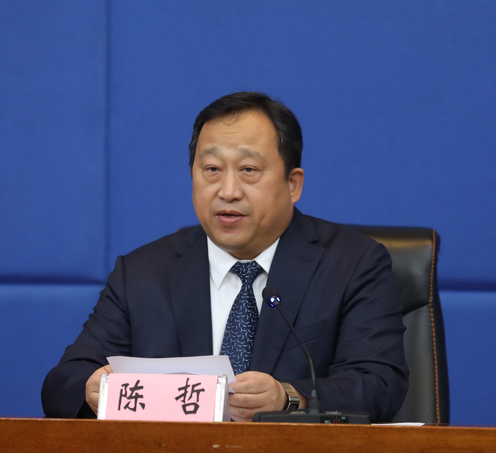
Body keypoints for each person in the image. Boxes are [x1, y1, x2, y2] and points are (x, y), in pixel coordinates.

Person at [41, 91, 409, 422]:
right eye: (212, 170)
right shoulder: (143, 273)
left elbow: (379, 383)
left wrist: (288, 398)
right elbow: (63, 384)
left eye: (248, 170)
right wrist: (92, 388)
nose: (228, 191)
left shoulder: (353, 264)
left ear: (292, 184)